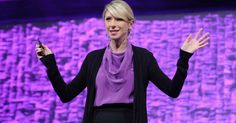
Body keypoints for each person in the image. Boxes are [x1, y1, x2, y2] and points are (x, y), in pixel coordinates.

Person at [35, 0, 210, 123]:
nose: (112, 24)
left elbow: (172, 90)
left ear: (130, 24)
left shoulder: (143, 58)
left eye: (118, 19)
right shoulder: (93, 59)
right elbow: (66, 95)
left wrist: (184, 57)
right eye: (108, 19)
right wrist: (50, 64)